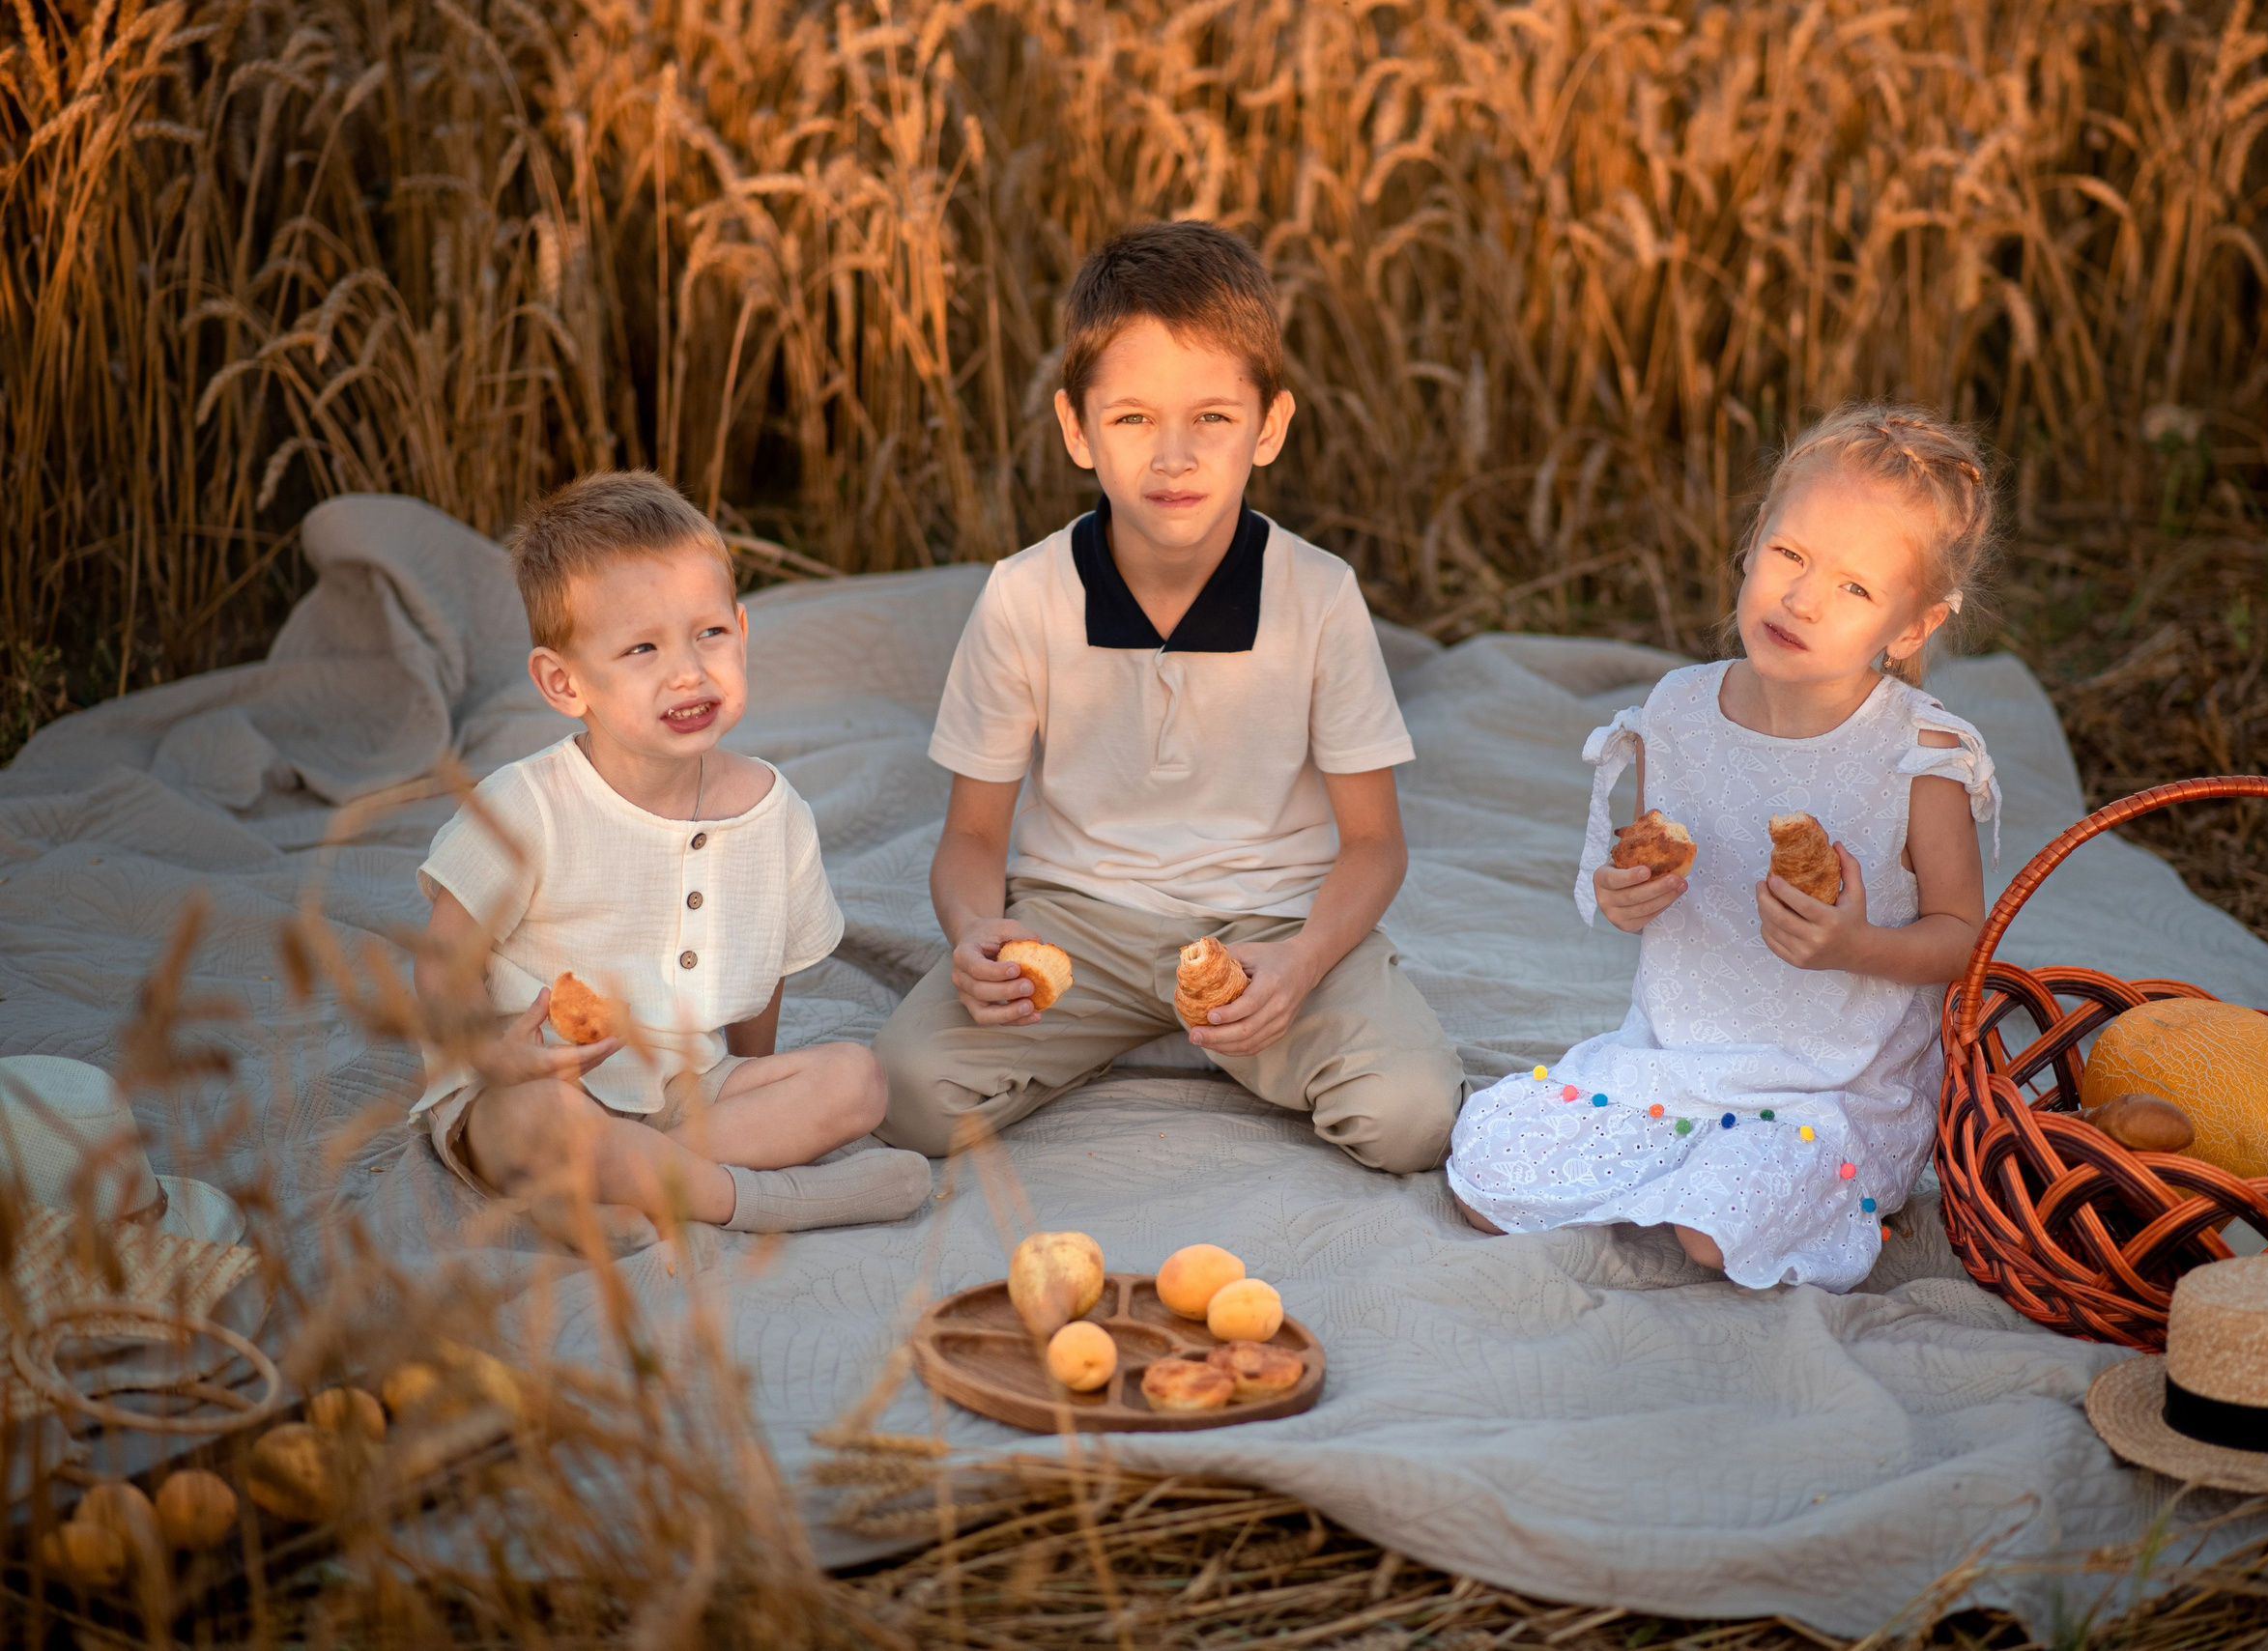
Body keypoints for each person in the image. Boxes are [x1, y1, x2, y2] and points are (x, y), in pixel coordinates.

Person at [874, 220, 1466, 1172]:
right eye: (1133, 419)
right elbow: (975, 836)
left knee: (1412, 1116)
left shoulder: (1319, 596)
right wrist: (978, 933)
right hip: (1079, 922)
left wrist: (1304, 962)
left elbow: (1374, 842)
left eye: (1213, 418)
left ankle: (1243, 1029)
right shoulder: (1024, 595)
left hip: (1272, 925)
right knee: (903, 1093)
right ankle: (1117, 1031)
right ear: (1077, 429)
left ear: (1269, 426)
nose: (1174, 456)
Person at [1446, 404, 2004, 1291]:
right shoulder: (1675, 712)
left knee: (1716, 1229)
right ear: (1752, 542)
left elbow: (1966, 938)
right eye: (1789, 554)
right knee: (1492, 1173)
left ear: (1912, 628)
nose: (1803, 598)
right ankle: (1678, 1162)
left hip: (1833, 1088)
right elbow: (1652, 877)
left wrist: (1858, 946)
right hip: (1678, 1059)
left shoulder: (1918, 757)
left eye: (1855, 589)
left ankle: (1779, 1185)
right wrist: (1626, 896)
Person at [411, 471, 929, 1239]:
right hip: (539, 1084)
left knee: (857, 1080)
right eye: (642, 647)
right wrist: (489, 1053)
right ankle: (761, 1197)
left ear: (742, 631)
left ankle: (630, 1182)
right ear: (564, 682)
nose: (687, 670)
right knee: (549, 1123)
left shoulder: (772, 810)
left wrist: (757, 1082)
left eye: (709, 633)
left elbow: (766, 975)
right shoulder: (528, 806)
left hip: (686, 1086)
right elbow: (439, 964)